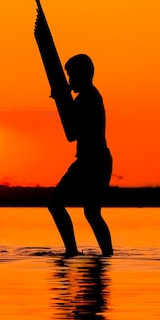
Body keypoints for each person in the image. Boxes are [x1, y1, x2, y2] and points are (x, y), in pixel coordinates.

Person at [47, 54, 113, 256]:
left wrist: (61, 98)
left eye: (72, 76)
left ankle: (72, 251)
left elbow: (71, 134)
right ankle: (105, 255)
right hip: (97, 160)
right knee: (92, 212)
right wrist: (64, 96)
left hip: (92, 161)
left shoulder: (87, 98)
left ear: (83, 75)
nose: (70, 81)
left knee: (56, 203)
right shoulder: (88, 96)